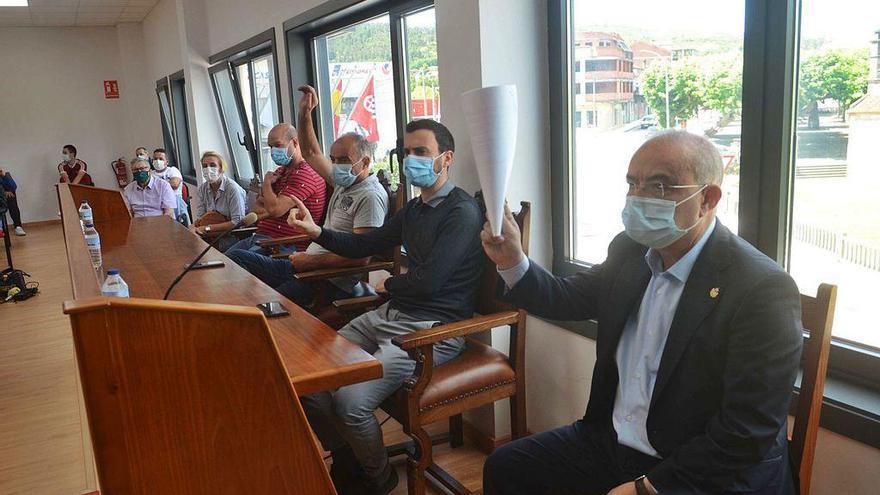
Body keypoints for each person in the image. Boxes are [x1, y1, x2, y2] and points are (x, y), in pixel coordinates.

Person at [480, 131, 803, 495]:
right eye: (633, 184)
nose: (638, 198)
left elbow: (746, 431)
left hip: (705, 468)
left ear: (708, 199)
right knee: (506, 468)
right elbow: (567, 298)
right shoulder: (631, 251)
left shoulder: (761, 288)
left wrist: (647, 488)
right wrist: (512, 261)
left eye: (660, 186)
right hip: (613, 441)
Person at [287, 119, 485, 494]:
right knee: (309, 381)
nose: (412, 160)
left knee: (349, 403)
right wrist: (318, 233)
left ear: (447, 158)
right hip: (390, 315)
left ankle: (377, 480)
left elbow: (429, 282)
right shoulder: (414, 209)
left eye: (421, 152)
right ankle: (352, 457)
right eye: (407, 152)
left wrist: (391, 284)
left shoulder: (461, 213)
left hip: (430, 331)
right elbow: (367, 244)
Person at [224, 86, 388, 306]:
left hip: (324, 280)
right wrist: (304, 113)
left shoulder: (370, 197)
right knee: (233, 260)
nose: (336, 165)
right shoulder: (344, 182)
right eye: (334, 159)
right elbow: (311, 153)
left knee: (264, 306)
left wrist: (310, 263)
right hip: (301, 264)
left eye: (342, 160)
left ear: (365, 162)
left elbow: (360, 256)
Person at [224, 123, 326, 258]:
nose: (273, 151)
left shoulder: (305, 174)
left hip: (283, 247)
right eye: (271, 146)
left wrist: (266, 185)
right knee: (222, 261)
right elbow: (256, 210)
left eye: (278, 145)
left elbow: (274, 210)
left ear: (294, 142)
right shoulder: (281, 171)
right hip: (261, 240)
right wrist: (272, 204)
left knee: (234, 261)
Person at [191, 151, 248, 252]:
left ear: (221, 168)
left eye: (212, 165)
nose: (208, 169)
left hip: (231, 236)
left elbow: (237, 221)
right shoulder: (202, 189)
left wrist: (207, 228)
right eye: (205, 166)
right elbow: (201, 218)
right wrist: (193, 228)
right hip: (209, 235)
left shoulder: (232, 189)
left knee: (197, 249)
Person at [151, 148, 189, 224]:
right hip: (157, 202)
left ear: (167, 162)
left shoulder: (172, 170)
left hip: (175, 201)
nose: (158, 161)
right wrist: (167, 183)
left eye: (161, 159)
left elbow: (175, 184)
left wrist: (155, 184)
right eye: (155, 159)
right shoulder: (151, 173)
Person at [0, 168, 25, 236]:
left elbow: (13, 187)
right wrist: (4, 193)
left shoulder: (4, 175)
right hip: (1, 196)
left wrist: (4, 175)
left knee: (11, 195)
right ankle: (1, 227)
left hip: (2, 198)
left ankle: (18, 226)